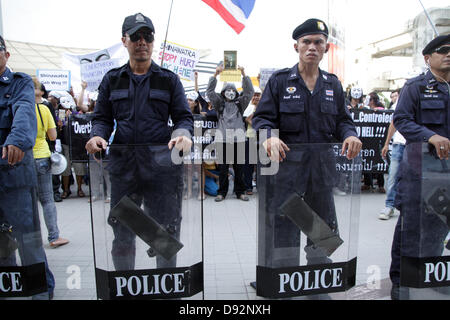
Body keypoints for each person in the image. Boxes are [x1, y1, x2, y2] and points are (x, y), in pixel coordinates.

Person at [252, 18, 361, 279]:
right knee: (285, 227)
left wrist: (351, 134)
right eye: (306, 42)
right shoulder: (280, 81)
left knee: (322, 230)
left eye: (318, 42)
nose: (312, 46)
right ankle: (283, 281)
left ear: (326, 49)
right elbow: (261, 118)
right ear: (296, 47)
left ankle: (316, 282)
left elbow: (343, 120)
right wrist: (268, 136)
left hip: (321, 173)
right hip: (287, 174)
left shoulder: (332, 84)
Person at [85, 12, 193, 271]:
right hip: (125, 170)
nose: (142, 41)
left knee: (164, 234)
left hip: (162, 170)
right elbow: (101, 118)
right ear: (125, 40)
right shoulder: (112, 80)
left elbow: (183, 118)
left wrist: (183, 134)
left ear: (153, 41)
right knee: (123, 231)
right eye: (136, 36)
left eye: (148, 36)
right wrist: (97, 135)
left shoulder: (168, 80)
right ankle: (125, 286)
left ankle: (168, 289)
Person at [389, 34, 450, 300]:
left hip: (447, 174)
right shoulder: (415, 87)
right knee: (410, 227)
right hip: (419, 171)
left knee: (439, 226)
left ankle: (431, 275)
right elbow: (401, 119)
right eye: (443, 50)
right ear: (428, 58)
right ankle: (401, 281)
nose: (449, 54)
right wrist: (430, 135)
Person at [0, 35, 55, 299]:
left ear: (6, 55)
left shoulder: (20, 83)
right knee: (2, 245)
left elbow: (23, 113)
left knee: (27, 240)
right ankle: (8, 289)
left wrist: (17, 141)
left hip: (15, 173)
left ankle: (42, 291)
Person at [207, 64, 254, 202]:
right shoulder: (218, 103)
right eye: (228, 90)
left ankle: (240, 192)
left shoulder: (241, 103)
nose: (231, 92)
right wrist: (215, 74)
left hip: (239, 139)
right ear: (223, 92)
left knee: (239, 168)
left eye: (233, 90)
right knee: (223, 168)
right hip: (223, 140)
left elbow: (249, 91)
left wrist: (244, 72)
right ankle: (222, 192)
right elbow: (209, 92)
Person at [32, 78, 70, 248]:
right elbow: (53, 136)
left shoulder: (17, 107)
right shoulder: (43, 109)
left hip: (22, 158)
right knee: (47, 200)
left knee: (28, 201)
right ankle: (54, 236)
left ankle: (29, 239)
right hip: (41, 155)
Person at [379, 88, 405, 220]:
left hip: (415, 144)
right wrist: (386, 143)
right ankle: (389, 205)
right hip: (399, 143)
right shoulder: (399, 104)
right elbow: (393, 123)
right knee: (393, 176)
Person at [362, 91, 386, 193]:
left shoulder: (380, 110)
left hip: (377, 140)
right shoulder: (365, 110)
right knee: (367, 161)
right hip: (367, 139)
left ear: (372, 100)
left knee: (377, 160)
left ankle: (381, 185)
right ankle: (367, 183)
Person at [243, 87, 262, 195]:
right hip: (250, 137)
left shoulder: (264, 107)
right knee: (249, 163)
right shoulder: (249, 107)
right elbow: (247, 120)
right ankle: (248, 187)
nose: (256, 97)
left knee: (261, 163)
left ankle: (260, 186)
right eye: (254, 95)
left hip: (262, 138)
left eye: (258, 95)